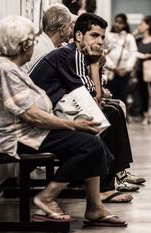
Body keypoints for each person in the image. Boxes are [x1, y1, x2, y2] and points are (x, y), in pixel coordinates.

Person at [0, 16, 126, 226]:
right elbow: (31, 115)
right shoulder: (4, 70)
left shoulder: (8, 67)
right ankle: (47, 198)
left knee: (91, 137)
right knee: (89, 143)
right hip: (16, 137)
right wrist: (73, 124)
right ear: (24, 45)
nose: (35, 45)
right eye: (33, 41)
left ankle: (94, 207)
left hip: (28, 131)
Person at [29, 13, 144, 202]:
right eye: (94, 35)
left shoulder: (75, 54)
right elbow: (94, 99)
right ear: (79, 36)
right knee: (109, 114)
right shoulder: (73, 55)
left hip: (56, 109)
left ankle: (114, 176)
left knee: (112, 110)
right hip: (44, 117)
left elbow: (90, 96)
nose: (99, 41)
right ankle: (104, 186)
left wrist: (94, 64)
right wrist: (94, 63)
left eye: (102, 37)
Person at [23, 3, 73, 72]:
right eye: (70, 26)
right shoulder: (44, 52)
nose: (71, 30)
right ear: (62, 29)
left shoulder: (45, 43)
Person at [105, 13, 137, 105]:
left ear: (125, 24)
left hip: (124, 73)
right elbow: (104, 53)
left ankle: (122, 117)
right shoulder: (108, 36)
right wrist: (113, 67)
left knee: (122, 97)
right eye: (116, 22)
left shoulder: (129, 37)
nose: (117, 24)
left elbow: (133, 53)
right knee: (110, 96)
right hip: (111, 72)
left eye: (120, 22)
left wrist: (127, 68)